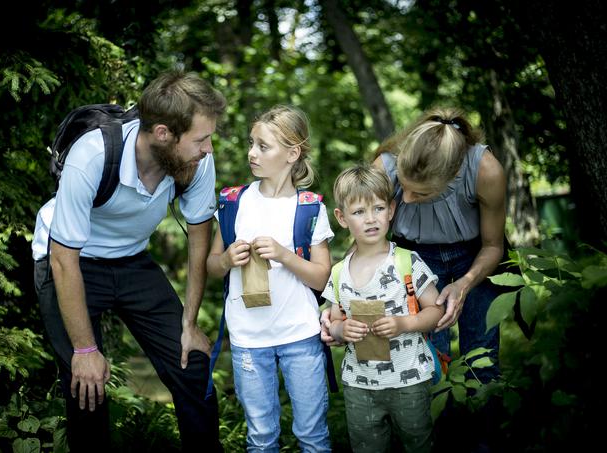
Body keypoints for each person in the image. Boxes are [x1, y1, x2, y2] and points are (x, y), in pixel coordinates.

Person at [31, 70, 226, 452]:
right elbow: (62, 260)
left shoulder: (196, 161)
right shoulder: (92, 155)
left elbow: (199, 238)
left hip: (132, 259)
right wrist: (86, 352)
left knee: (193, 363)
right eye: (201, 139)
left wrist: (189, 322)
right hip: (71, 261)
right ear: (163, 134)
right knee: (86, 384)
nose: (209, 149)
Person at [322, 107, 506, 384]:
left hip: (476, 256)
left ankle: (484, 421)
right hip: (415, 256)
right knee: (429, 358)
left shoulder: (486, 170)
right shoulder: (386, 166)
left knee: (482, 356)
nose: (405, 199)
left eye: (420, 193)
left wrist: (464, 284)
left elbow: (493, 245)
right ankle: (435, 422)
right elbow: (365, 241)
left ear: (452, 176)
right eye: (403, 187)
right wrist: (336, 304)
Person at [206, 105, 333, 452]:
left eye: (263, 146)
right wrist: (228, 258)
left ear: (292, 153)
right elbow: (211, 266)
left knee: (313, 436)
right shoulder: (233, 203)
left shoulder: (309, 208)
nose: (251, 153)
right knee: (261, 438)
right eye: (251, 143)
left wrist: (284, 255)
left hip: (301, 337)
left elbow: (323, 279)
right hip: (248, 338)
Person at [322, 164, 443, 453]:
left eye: (377, 208)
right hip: (360, 386)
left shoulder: (407, 262)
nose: (370, 219)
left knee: (419, 444)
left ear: (391, 210)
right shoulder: (339, 273)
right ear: (341, 218)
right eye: (359, 212)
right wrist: (341, 329)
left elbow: (436, 312)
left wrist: (403, 324)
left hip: (410, 380)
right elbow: (334, 326)